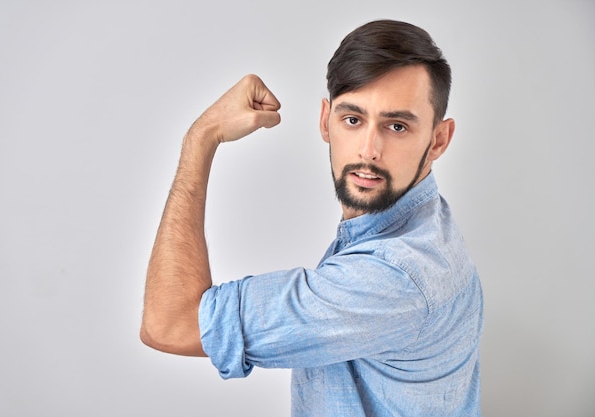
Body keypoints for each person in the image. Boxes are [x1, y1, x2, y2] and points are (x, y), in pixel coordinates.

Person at [140, 19, 483, 416]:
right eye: (353, 120)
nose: (369, 150)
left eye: (397, 125)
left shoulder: (394, 276)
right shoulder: (421, 223)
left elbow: (168, 324)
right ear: (326, 121)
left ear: (438, 139)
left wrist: (201, 137)